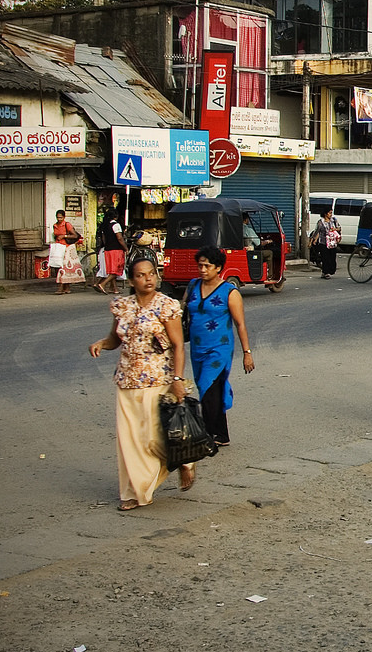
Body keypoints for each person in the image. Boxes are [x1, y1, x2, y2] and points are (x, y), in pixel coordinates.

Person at [89, 256, 195, 509]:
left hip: (158, 378)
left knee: (153, 438)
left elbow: (179, 345)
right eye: (141, 275)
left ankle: (183, 460)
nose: (148, 279)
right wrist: (102, 344)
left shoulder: (166, 305)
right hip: (126, 379)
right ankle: (134, 493)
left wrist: (178, 379)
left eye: (151, 274)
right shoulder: (122, 306)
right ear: (131, 279)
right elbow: (115, 338)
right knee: (129, 441)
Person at [182, 247, 254, 448]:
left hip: (219, 349)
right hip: (197, 348)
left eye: (207, 266)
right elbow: (181, 312)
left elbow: (240, 324)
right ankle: (221, 434)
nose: (203, 270)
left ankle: (206, 435)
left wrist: (247, 353)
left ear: (218, 268)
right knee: (211, 389)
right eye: (200, 265)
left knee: (207, 387)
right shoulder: (193, 285)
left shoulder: (229, 292)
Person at [49, 209, 83, 294]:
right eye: (58, 217)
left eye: (61, 217)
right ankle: (66, 288)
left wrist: (64, 236)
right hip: (59, 247)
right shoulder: (55, 225)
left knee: (63, 268)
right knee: (61, 267)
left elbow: (75, 235)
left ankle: (60, 288)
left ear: (64, 217)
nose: (59, 219)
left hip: (67, 248)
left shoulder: (67, 225)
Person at [95, 208, 124, 294]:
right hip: (116, 249)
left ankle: (114, 289)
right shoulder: (116, 225)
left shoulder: (104, 226)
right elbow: (120, 238)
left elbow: (104, 239)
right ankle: (103, 284)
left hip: (107, 250)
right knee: (116, 270)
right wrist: (125, 248)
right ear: (116, 216)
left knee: (111, 270)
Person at [241, 213, 274, 282]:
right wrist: (268, 241)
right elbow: (259, 243)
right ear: (246, 220)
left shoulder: (236, 229)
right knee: (269, 253)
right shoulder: (248, 230)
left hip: (242, 251)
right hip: (251, 253)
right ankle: (270, 275)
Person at [311, 207, 342, 280]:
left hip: (332, 242)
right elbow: (317, 231)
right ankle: (325, 272)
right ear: (325, 214)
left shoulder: (334, 220)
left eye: (331, 213)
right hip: (323, 243)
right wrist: (312, 240)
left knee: (332, 258)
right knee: (325, 258)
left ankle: (330, 270)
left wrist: (335, 229)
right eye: (329, 213)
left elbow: (339, 228)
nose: (331, 214)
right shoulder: (320, 222)